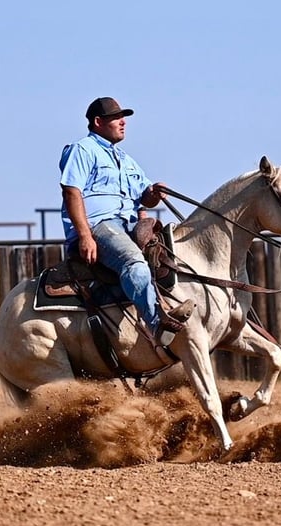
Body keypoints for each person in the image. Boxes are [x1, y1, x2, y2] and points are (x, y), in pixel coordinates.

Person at [59, 97, 194, 346]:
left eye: (124, 118)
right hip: (100, 225)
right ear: (98, 122)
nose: (123, 122)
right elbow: (71, 192)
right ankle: (156, 324)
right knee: (134, 262)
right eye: (116, 118)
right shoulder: (83, 150)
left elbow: (145, 197)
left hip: (128, 224)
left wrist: (154, 193)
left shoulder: (126, 159)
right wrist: (85, 236)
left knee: (172, 253)